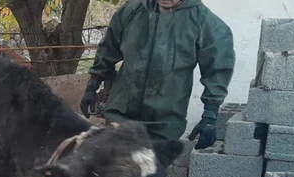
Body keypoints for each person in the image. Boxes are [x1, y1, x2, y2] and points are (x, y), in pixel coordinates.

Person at [81, 0, 235, 150]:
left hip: (164, 124)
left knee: (150, 172)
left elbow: (218, 70)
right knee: (115, 170)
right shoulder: (132, 10)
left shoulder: (205, 23)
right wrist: (92, 84)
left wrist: (210, 115)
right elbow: (108, 48)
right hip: (120, 116)